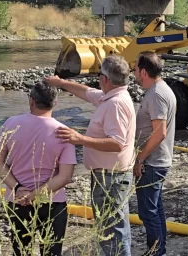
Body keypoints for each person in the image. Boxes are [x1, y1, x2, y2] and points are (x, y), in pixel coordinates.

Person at [45, 55, 136, 256]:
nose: (97, 80)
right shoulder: (110, 95)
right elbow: (86, 93)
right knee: (114, 227)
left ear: (105, 79)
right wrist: (60, 83)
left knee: (112, 230)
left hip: (111, 177)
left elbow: (117, 143)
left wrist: (80, 139)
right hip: (108, 175)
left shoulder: (115, 104)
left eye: (99, 75)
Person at [0, 81, 77, 256]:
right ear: (55, 103)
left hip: (17, 201)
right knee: (51, 252)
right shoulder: (64, 132)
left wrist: (18, 188)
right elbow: (65, 176)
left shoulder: (11, 124)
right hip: (52, 203)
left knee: (21, 251)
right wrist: (34, 195)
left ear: (31, 101)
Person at [132, 51, 176, 256]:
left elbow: (159, 132)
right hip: (156, 160)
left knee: (148, 213)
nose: (133, 73)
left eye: (134, 69)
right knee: (155, 209)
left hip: (153, 162)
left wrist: (140, 158)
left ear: (143, 71)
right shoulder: (159, 90)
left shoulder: (156, 94)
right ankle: (160, 251)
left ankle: (157, 252)